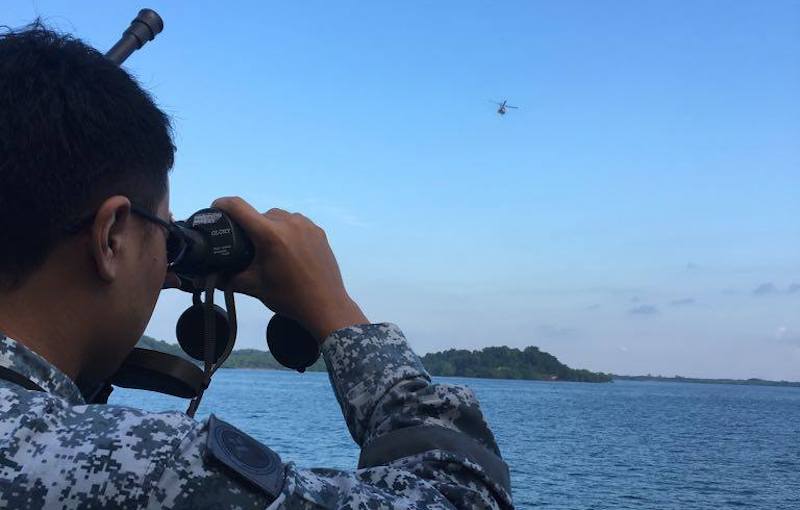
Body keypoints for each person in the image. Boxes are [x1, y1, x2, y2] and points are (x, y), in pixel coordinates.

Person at [0, 23, 513, 509]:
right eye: (163, 233)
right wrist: (337, 311)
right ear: (111, 237)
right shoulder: (144, 466)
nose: (163, 263)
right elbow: (461, 497)